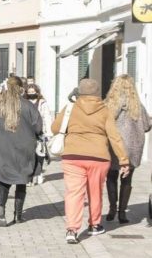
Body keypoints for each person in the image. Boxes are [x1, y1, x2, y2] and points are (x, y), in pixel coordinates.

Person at [52, 79, 131, 243]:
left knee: (73, 193)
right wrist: (123, 160)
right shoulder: (105, 110)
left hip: (73, 155)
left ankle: (72, 230)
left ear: (79, 92)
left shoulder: (70, 108)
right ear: (97, 93)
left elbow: (55, 128)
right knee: (95, 191)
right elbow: (114, 137)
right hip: (99, 157)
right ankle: (94, 225)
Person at [0, 77, 43, 227]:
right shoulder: (28, 106)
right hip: (24, 149)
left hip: (2, 149)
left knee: (4, 181)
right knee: (21, 181)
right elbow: (38, 127)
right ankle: (18, 215)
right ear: (20, 88)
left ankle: (0, 209)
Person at [103, 75, 151, 223]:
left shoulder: (108, 105)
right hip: (132, 148)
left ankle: (112, 209)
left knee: (111, 177)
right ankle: (122, 212)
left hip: (113, 146)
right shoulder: (137, 105)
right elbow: (146, 126)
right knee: (127, 179)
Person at [25, 84, 52, 186]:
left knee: (39, 154)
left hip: (40, 132)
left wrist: (48, 133)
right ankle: (30, 177)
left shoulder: (42, 103)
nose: (31, 93)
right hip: (27, 133)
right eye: (29, 92)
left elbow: (47, 117)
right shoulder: (24, 102)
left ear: (37, 92)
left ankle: (38, 173)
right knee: (29, 155)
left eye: (33, 92)